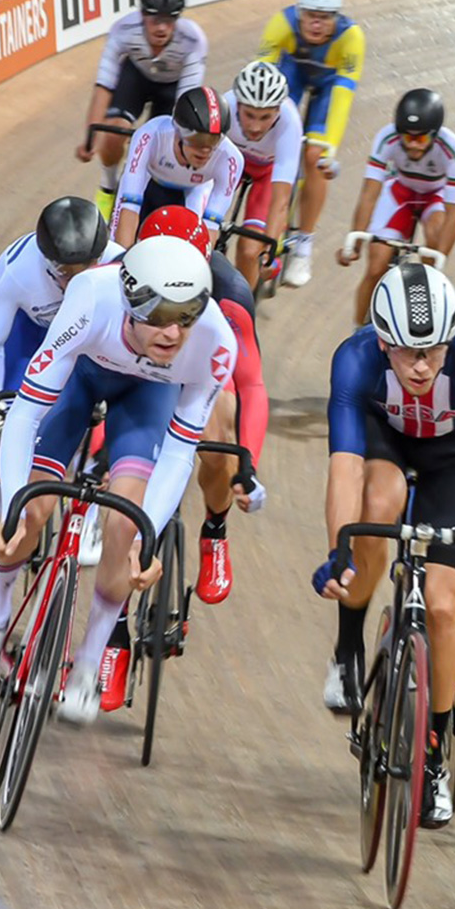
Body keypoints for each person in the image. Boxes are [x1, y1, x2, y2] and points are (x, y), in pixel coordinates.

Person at [0, 238, 237, 724]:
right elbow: (26, 413)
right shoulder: (89, 297)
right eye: (161, 314)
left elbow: (178, 451)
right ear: (130, 302)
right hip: (82, 378)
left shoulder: (216, 343)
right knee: (28, 514)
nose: (173, 332)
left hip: (148, 399)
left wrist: (146, 537)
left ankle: (88, 661)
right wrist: (15, 508)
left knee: (125, 528)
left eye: (187, 315)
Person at [317, 262, 455, 828]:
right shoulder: (354, 360)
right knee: (377, 507)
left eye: (433, 350)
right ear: (382, 342)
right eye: (408, 352)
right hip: (386, 442)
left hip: (451, 459)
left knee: (441, 605)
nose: (423, 364)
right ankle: (348, 649)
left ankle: (433, 756)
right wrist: (339, 549)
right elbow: (344, 471)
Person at [129, 205, 269, 616]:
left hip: (201, 372)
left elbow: (251, 384)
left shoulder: (230, 296)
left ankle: (215, 528)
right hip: (143, 365)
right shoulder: (123, 277)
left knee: (217, 426)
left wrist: (248, 463)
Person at [0, 198, 120, 539]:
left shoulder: (118, 261)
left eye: (87, 269)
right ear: (46, 260)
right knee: (8, 428)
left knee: (94, 415)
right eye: (66, 273)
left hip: (86, 341)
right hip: (33, 336)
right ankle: (2, 507)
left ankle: (89, 511)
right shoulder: (16, 269)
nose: (76, 282)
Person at [258, 0, 363, 286]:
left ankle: (303, 245)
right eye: (310, 15)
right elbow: (260, 75)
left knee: (315, 156)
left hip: (330, 87)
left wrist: (328, 147)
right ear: (299, 12)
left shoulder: (351, 38)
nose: (316, 24)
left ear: (337, 18)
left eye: (325, 17)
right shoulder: (282, 23)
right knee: (275, 141)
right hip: (291, 75)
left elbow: (342, 98)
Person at [76, 0, 207, 220]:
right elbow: (104, 85)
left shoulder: (193, 41)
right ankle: (108, 187)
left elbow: (185, 101)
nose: (161, 28)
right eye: (156, 19)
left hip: (173, 88)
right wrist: (90, 136)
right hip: (136, 77)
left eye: (169, 20)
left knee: (161, 145)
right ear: (142, 14)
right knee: (114, 133)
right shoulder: (123, 30)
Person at [336, 89, 455, 323]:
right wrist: (355, 241)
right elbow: (369, 193)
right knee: (376, 267)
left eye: (421, 139)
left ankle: (429, 281)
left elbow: (454, 214)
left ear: (435, 135)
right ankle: (357, 331)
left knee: (436, 232)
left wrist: (439, 260)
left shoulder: (453, 149)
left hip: (434, 196)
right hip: (400, 192)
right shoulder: (386, 137)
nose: (414, 145)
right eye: (408, 137)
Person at [110, 86, 245, 248]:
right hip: (149, 183)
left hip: (195, 191)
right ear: (179, 132)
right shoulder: (151, 135)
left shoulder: (231, 159)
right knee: (116, 249)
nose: (205, 150)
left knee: (194, 247)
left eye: (214, 141)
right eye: (198, 140)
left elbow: (211, 229)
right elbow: (129, 207)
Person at [220, 61, 303, 294]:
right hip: (232, 163)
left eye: (265, 117)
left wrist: (269, 250)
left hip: (267, 173)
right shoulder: (225, 106)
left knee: (249, 250)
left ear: (278, 110)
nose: (256, 127)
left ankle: (241, 312)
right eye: (249, 115)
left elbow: (280, 200)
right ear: (238, 105)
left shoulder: (290, 122)